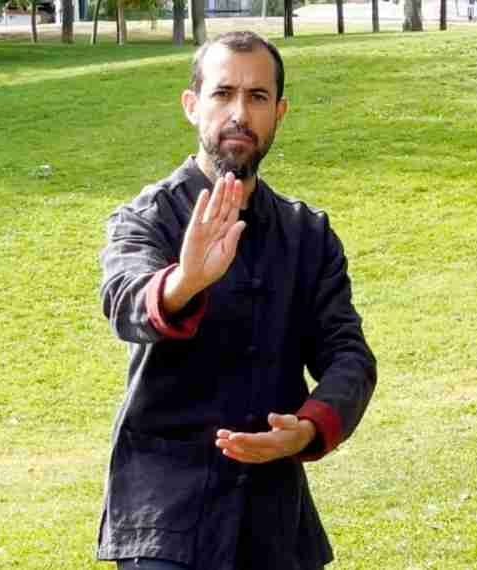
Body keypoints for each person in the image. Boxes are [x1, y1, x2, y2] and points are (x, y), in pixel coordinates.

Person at [97, 31, 377, 570]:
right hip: (166, 522)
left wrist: (310, 427)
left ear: (280, 112)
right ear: (191, 105)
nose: (239, 113)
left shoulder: (307, 233)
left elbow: (350, 356)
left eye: (257, 97)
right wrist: (186, 281)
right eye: (223, 94)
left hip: (276, 523)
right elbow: (126, 301)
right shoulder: (145, 219)